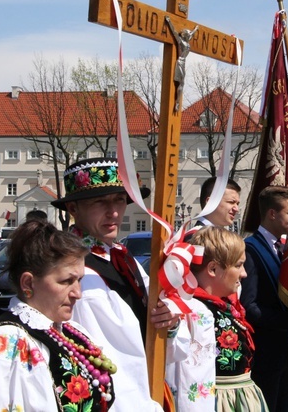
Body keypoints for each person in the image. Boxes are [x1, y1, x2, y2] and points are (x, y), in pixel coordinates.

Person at [52, 157, 182, 412]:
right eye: (100, 201)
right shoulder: (71, 267)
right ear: (73, 208)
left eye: (120, 200)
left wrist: (169, 321)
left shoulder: (121, 256)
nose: (113, 212)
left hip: (145, 388)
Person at [0, 219, 115, 411]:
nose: (77, 293)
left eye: (79, 280)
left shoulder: (72, 332)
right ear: (28, 283)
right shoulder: (4, 345)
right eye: (66, 281)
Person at [187, 226, 268, 411]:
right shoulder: (194, 312)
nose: (244, 273)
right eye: (238, 265)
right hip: (218, 402)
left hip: (238, 397)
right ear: (213, 268)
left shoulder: (225, 306)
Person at [240, 186, 288, 412]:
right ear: (272, 214)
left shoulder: (284, 249)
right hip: (266, 354)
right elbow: (250, 306)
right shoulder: (251, 249)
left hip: (286, 353)